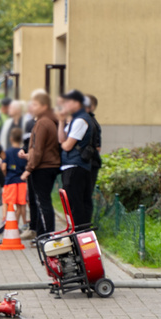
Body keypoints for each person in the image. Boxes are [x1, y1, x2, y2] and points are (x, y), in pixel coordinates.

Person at [19, 92, 61, 239]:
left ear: (44, 106)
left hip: (43, 168)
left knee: (42, 202)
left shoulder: (43, 122)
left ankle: (46, 236)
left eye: (35, 104)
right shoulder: (47, 121)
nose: (32, 106)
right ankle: (43, 235)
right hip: (47, 166)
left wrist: (28, 169)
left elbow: (38, 149)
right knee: (42, 201)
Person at [57, 89, 95, 226]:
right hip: (71, 166)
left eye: (67, 102)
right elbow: (61, 140)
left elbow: (66, 146)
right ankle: (77, 234)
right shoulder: (74, 120)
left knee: (76, 203)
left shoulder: (81, 120)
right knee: (72, 203)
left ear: (76, 103)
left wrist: (65, 144)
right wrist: (61, 122)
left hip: (76, 166)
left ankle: (79, 235)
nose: (64, 106)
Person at [2, 127, 28, 231]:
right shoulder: (23, 152)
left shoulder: (7, 152)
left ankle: (8, 222)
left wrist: (6, 175)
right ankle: (18, 224)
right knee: (21, 204)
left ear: (11, 138)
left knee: (9, 203)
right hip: (22, 181)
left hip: (10, 181)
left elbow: (3, 167)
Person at [86, 94, 103, 198]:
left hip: (89, 163)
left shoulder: (88, 122)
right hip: (91, 162)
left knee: (85, 196)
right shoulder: (92, 121)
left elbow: (97, 147)